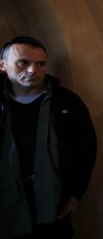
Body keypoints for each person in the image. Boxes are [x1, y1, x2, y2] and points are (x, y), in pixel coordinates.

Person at [0, 36, 97, 239]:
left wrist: (78, 190)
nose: (32, 70)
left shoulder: (67, 102)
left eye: (40, 64)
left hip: (53, 198)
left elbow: (86, 147)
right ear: (3, 65)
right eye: (23, 63)